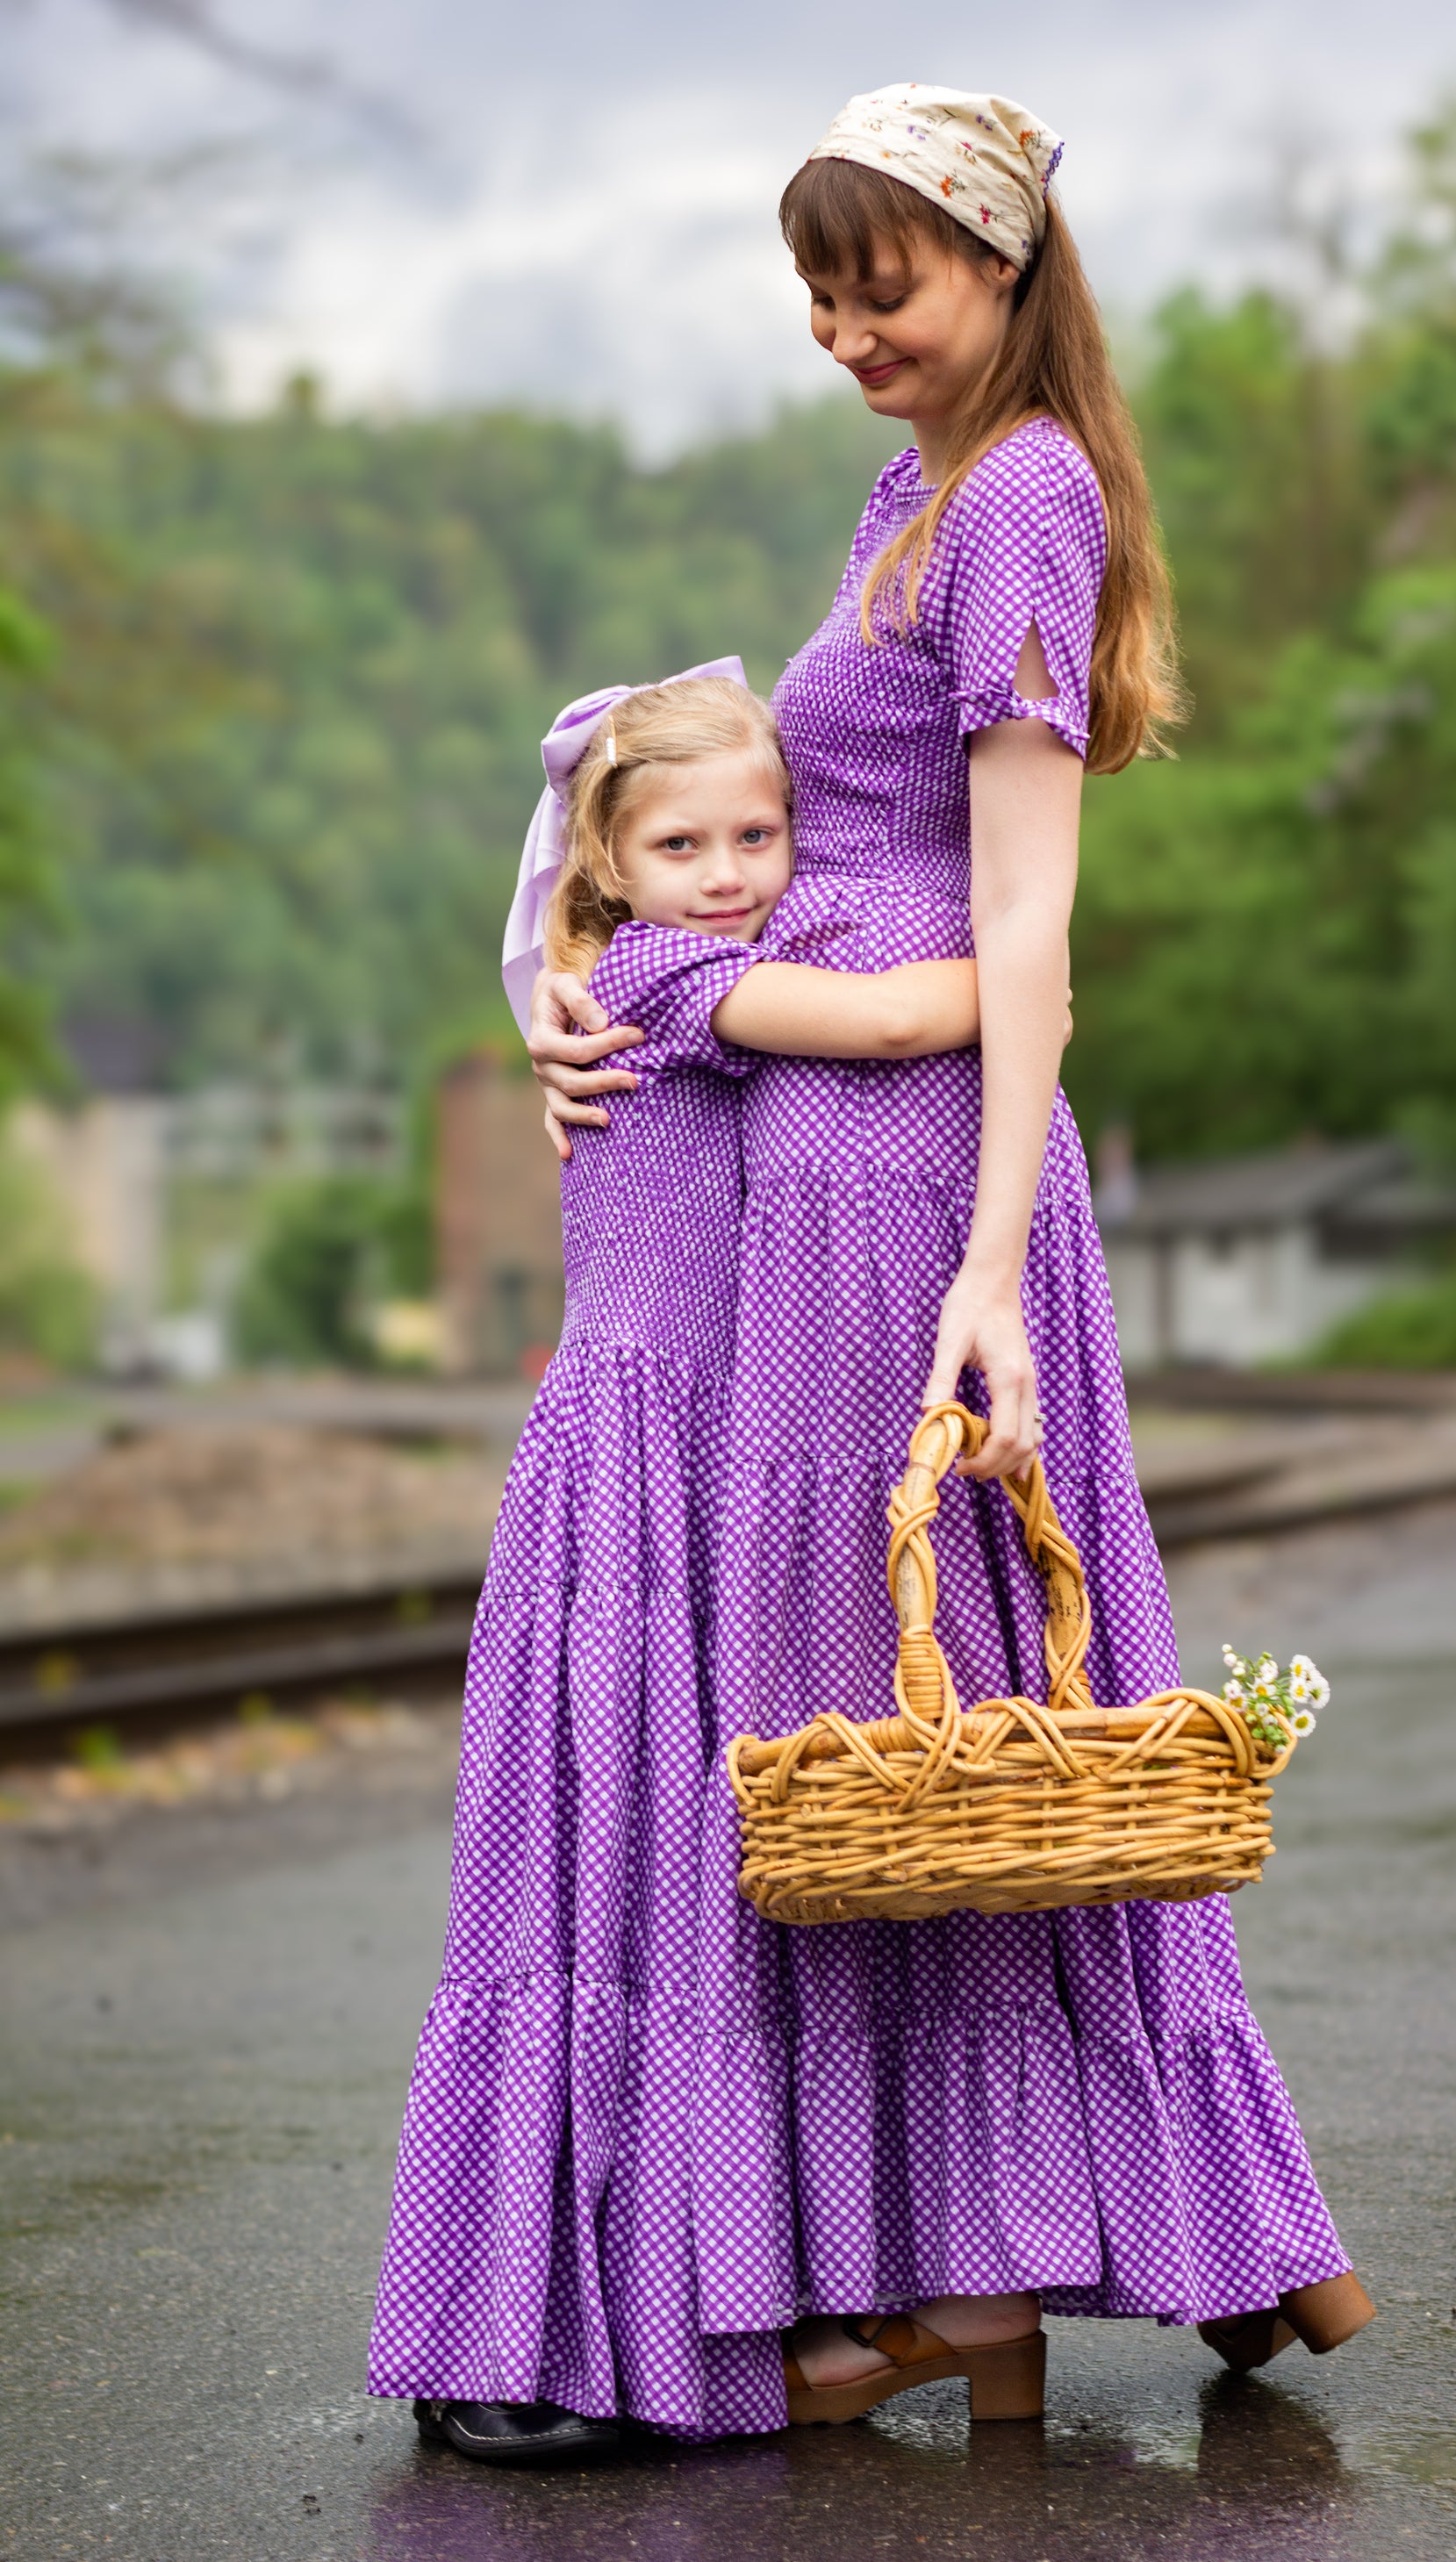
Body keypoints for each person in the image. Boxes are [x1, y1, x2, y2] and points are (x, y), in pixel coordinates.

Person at [527, 84, 1374, 2441]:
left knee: (928, 1694)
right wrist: (591, 998)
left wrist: (990, 1269)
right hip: (825, 1152)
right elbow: (683, 806)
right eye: (816, 291)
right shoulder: (922, 488)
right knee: (910, 1706)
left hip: (916, 1172)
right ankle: (1051, 2269)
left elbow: (1026, 921)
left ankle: (995, 2283)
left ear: (998, 263)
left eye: (877, 280)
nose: (840, 330)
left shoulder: (1017, 493)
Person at [369, 671, 989, 2461]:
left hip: (718, 1452)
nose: (725, 870)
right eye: (680, 843)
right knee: (599, 1871)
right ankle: (540, 2318)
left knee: (687, 1878)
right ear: (607, 863)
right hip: (633, 1463)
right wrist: (1023, 986)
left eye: (756, 836)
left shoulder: (645, 958)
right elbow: (885, 1028)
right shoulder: (652, 976)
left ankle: (696, 2289)